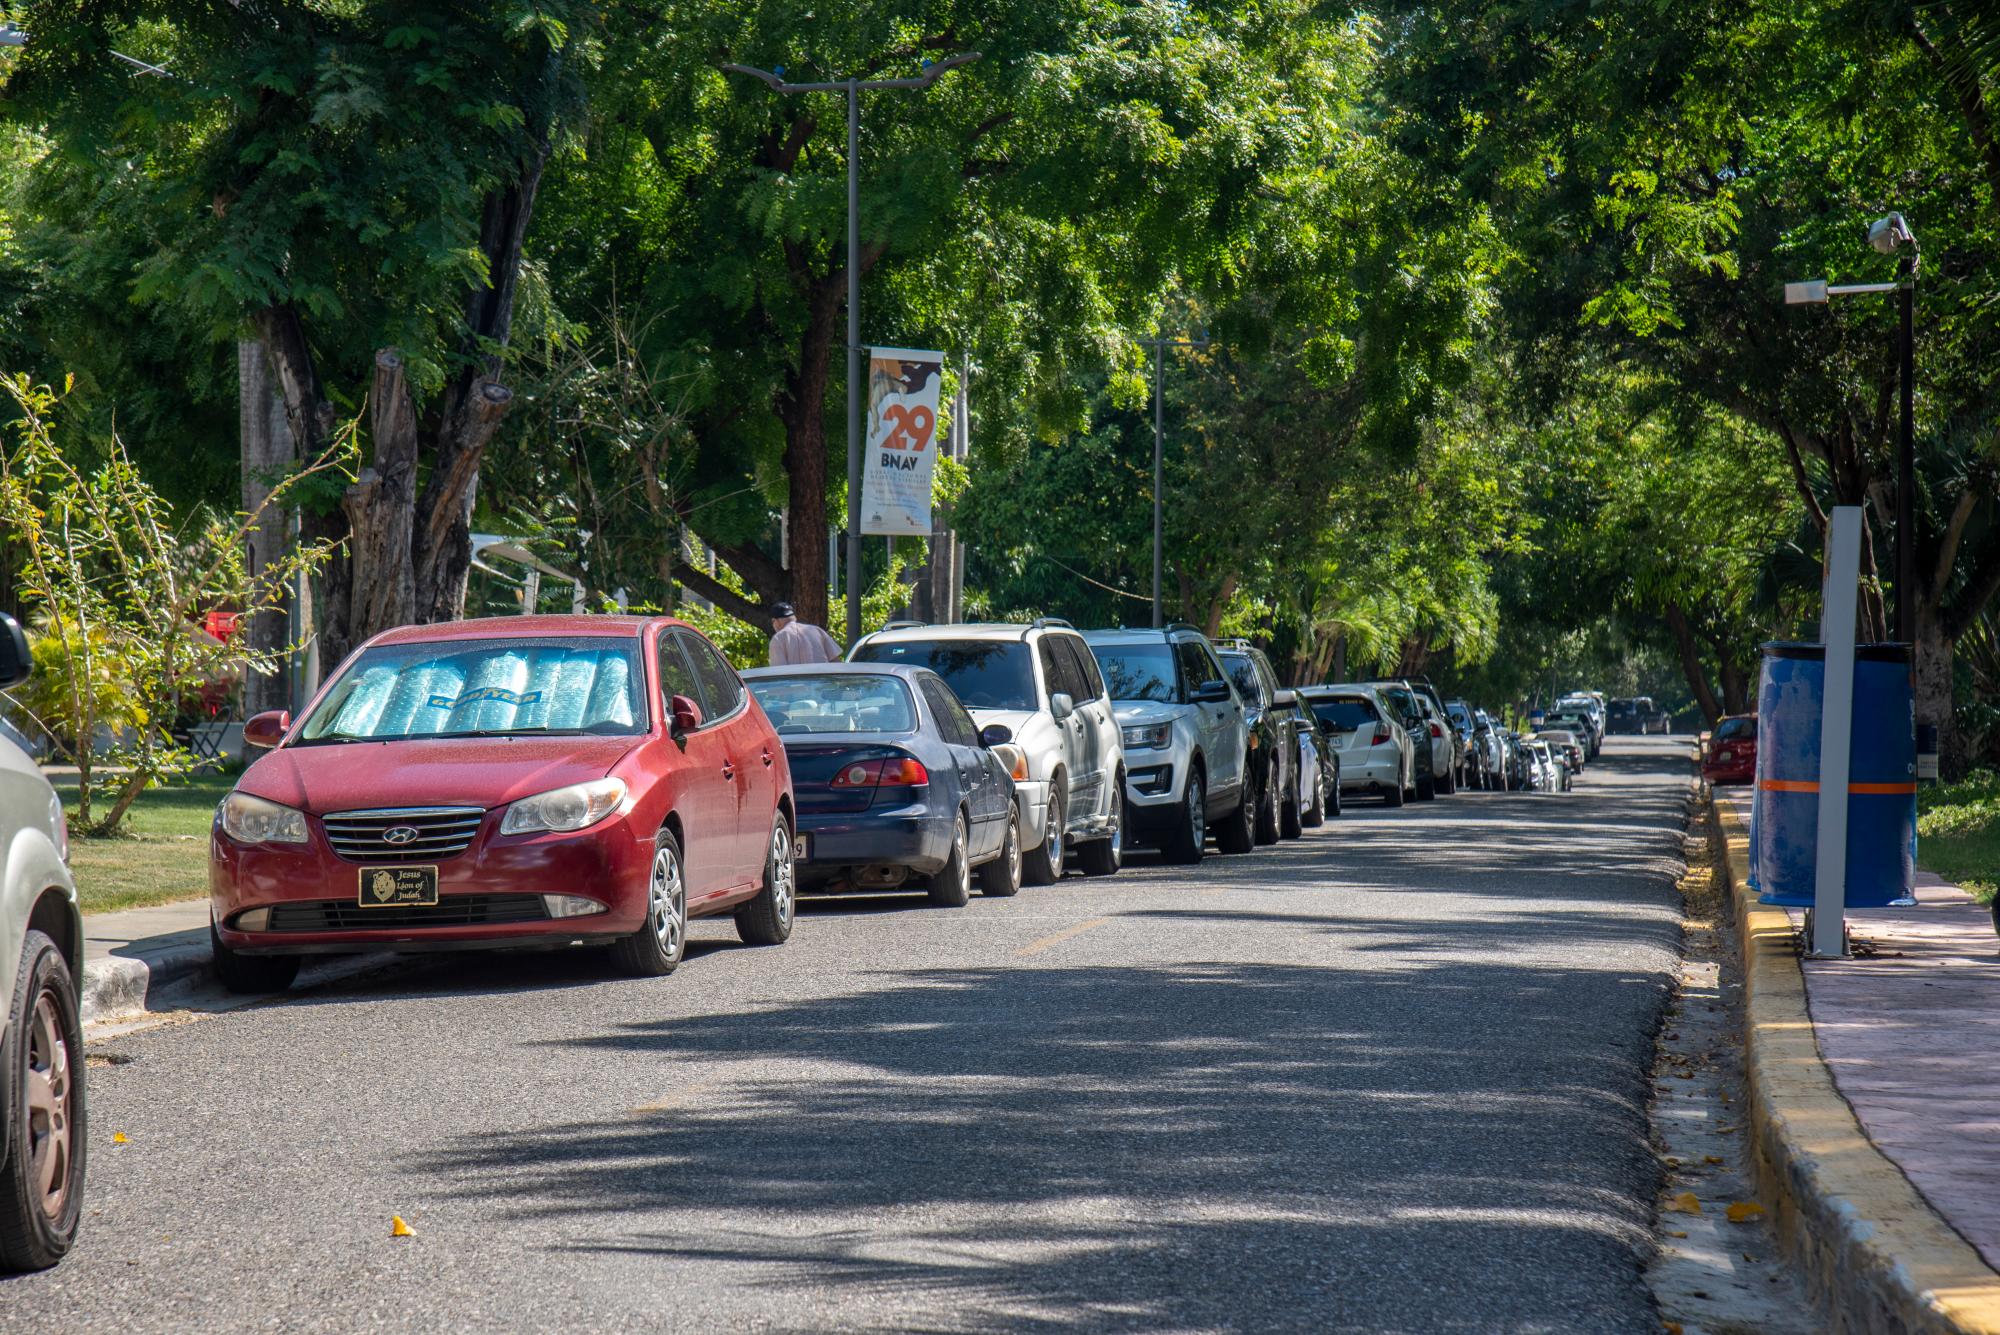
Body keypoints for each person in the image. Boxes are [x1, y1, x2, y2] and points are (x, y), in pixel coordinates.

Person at [768, 601, 841, 666]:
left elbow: (779, 672)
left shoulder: (778, 639)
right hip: (822, 680)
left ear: (776, 621)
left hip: (797, 681)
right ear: (794, 617)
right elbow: (836, 663)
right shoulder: (817, 630)